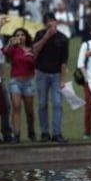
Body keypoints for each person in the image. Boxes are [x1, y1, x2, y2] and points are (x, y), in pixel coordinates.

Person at [33, 12, 69, 143]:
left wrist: (63, 79)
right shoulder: (40, 34)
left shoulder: (63, 38)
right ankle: (44, 132)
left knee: (57, 104)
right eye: (47, 21)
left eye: (52, 20)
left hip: (56, 75)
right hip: (42, 73)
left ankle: (56, 133)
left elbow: (64, 61)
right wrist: (46, 37)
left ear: (56, 22)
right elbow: (34, 50)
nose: (50, 23)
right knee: (42, 104)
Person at [2, 28, 36, 143]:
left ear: (26, 37)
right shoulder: (13, 49)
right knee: (16, 107)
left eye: (22, 35)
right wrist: (9, 43)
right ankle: (16, 134)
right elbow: (5, 52)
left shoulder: (31, 50)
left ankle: (31, 132)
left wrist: (30, 57)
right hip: (15, 81)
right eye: (18, 35)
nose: (20, 37)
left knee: (29, 111)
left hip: (29, 82)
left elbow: (35, 65)